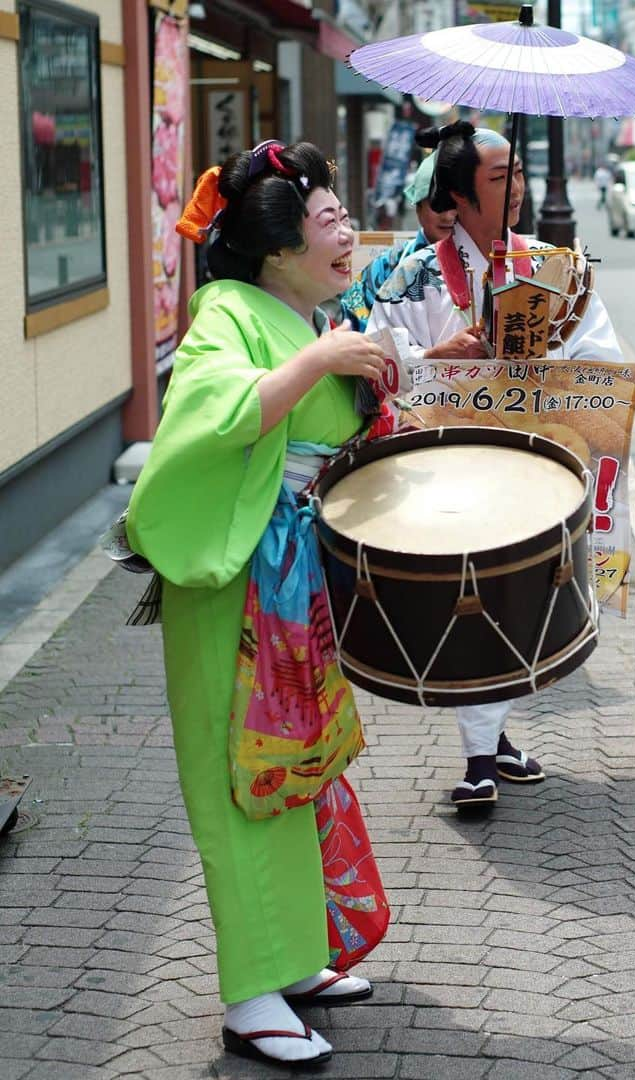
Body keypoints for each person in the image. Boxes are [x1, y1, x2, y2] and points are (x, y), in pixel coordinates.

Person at [125, 141, 390, 1068]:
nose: (348, 230)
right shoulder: (226, 313)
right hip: (234, 578)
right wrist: (320, 360)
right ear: (277, 248)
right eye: (328, 220)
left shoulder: (307, 312)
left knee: (295, 765)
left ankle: (295, 958)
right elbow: (211, 417)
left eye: (344, 215)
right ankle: (248, 994)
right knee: (236, 779)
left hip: (289, 576)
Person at [366, 121, 625, 810]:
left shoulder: (554, 268)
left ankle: (492, 741)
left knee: (515, 601)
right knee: (469, 598)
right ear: (454, 195)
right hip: (446, 469)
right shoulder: (410, 274)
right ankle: (482, 754)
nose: (517, 189)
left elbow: (602, 362)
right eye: (497, 177)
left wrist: (550, 364)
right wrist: (435, 358)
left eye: (518, 173)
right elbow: (372, 369)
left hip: (530, 466)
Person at [340, 150, 456, 332]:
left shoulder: (496, 263)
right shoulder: (383, 269)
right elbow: (355, 337)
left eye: (456, 204)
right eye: (437, 204)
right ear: (417, 206)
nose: (449, 215)